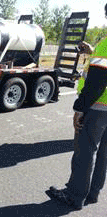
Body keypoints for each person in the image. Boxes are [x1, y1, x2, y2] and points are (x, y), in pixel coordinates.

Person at [46, 4, 107, 210]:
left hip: (97, 107)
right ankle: (92, 193)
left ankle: (74, 195)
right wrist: (92, 52)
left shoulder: (106, 44)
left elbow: (97, 81)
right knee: (103, 154)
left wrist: (80, 107)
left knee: (85, 152)